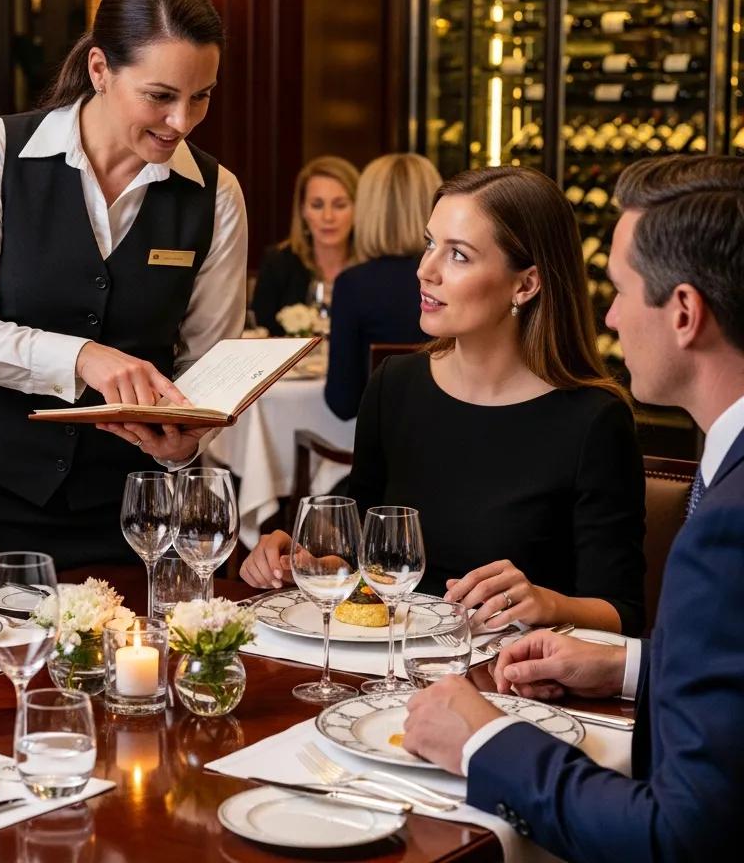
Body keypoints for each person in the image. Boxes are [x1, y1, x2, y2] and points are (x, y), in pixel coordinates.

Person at [403, 155, 744, 862]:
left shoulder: (728, 524)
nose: (610, 314)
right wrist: (626, 668)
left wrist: (483, 741)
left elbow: (676, 837)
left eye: (619, 290)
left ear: (684, 312)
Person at [0, 0, 247, 568]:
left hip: (133, 508)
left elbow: (209, 364)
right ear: (99, 70)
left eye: (200, 96)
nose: (183, 121)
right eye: (160, 95)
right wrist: (79, 357)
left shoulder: (216, 194)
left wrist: (186, 439)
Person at [241, 166, 645, 636]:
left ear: (526, 285)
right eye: (430, 244)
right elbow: (357, 553)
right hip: (386, 666)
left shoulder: (594, 420)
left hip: (511, 682)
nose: (425, 270)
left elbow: (624, 613)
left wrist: (547, 602)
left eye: (458, 255)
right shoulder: (395, 386)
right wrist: (303, 563)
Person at [324, 153, 441, 420]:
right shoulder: (454, 278)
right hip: (457, 435)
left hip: (385, 448)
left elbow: (342, 404)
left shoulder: (354, 285)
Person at [250, 156, 358, 335]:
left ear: (358, 209)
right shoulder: (278, 263)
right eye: (317, 205)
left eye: (340, 205)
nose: (328, 217)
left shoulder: (373, 265)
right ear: (302, 211)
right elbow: (261, 333)